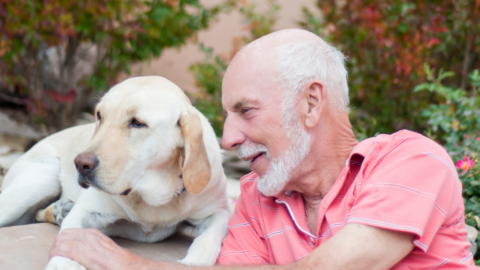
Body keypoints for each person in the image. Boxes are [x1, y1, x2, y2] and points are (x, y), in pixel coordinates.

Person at [49, 29, 476, 269]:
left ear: (311, 103)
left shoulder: (410, 160)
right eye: (226, 116)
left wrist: (126, 265)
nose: (228, 137)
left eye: (246, 111)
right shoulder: (255, 200)